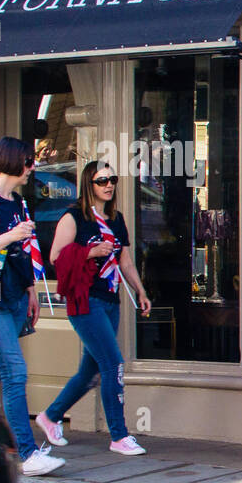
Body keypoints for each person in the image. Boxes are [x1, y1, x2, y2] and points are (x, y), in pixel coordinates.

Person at [0, 137, 63, 476]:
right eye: (29, 162)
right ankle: (28, 453)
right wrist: (11, 235)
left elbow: (21, 254)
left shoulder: (17, 202)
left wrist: (32, 290)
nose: (33, 168)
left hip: (16, 297)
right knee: (14, 373)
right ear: (15, 162)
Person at [35, 161, 151, 455]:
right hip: (84, 300)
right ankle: (119, 435)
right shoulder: (74, 217)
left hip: (111, 300)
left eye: (112, 179)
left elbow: (125, 261)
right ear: (89, 184)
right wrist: (89, 252)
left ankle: (49, 416)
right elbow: (55, 256)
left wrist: (140, 291)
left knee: (90, 372)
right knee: (113, 364)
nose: (109, 185)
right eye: (102, 181)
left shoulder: (116, 218)